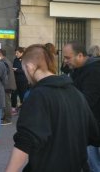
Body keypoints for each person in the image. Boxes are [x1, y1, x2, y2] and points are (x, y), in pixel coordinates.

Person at [6, 44, 100, 172]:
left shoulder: (37, 96)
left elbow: (25, 142)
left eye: (24, 70)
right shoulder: (76, 93)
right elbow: (93, 135)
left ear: (30, 67)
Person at [63, 41, 100, 171]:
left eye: (68, 57)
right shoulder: (78, 70)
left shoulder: (94, 71)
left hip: (95, 129)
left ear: (80, 55)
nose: (65, 61)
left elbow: (87, 101)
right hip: (88, 129)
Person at [0, 48, 16, 125]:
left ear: (0, 53)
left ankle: (8, 119)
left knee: (7, 102)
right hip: (9, 84)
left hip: (6, 85)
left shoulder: (3, 62)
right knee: (6, 101)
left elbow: (4, 74)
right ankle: (6, 116)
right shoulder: (7, 60)